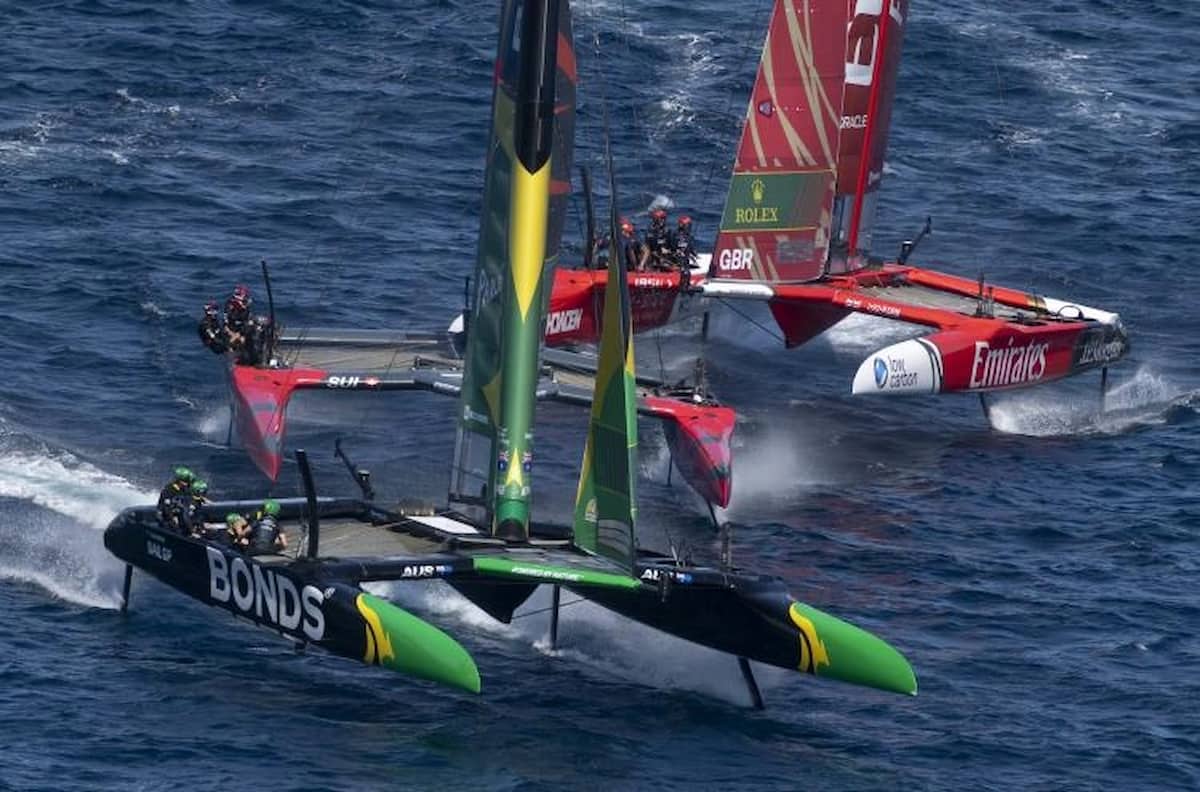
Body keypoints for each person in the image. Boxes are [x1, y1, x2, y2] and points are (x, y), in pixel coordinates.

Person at [156, 467, 194, 533]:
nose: (188, 483)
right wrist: (173, 519)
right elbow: (166, 509)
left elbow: (187, 505)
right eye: (186, 481)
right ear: (179, 480)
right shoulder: (169, 490)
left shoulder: (185, 490)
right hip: (166, 517)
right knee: (176, 529)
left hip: (179, 514)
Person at [224, 285, 252, 353]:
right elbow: (227, 322)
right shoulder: (230, 305)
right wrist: (236, 335)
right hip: (232, 331)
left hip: (242, 330)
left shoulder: (245, 306)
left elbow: (247, 319)